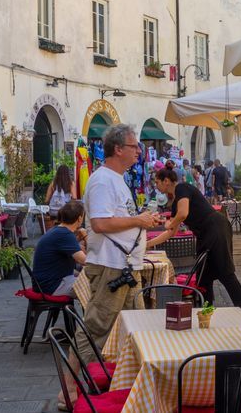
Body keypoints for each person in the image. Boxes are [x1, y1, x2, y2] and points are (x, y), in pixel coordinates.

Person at [78, 124, 161, 366]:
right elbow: (101, 223)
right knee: (97, 327)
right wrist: (138, 220)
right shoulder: (103, 181)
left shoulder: (117, 179)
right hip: (110, 266)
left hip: (124, 267)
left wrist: (143, 221)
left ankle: (126, 381)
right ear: (117, 149)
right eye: (134, 146)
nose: (139, 151)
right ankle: (72, 389)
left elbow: (118, 218)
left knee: (134, 325)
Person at [148, 168, 241, 309]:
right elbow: (170, 233)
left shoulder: (182, 187)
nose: (156, 186)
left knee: (225, 272)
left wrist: (171, 222)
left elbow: (183, 214)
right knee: (203, 277)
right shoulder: (176, 202)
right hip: (204, 234)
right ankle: (206, 311)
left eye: (157, 182)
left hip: (215, 227)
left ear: (166, 181)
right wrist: (148, 244)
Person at [31, 201, 87, 296]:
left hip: (45, 282)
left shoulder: (58, 230)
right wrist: (85, 236)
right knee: (95, 287)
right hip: (52, 286)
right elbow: (85, 261)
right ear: (80, 218)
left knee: (84, 275)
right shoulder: (65, 235)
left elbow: (79, 251)